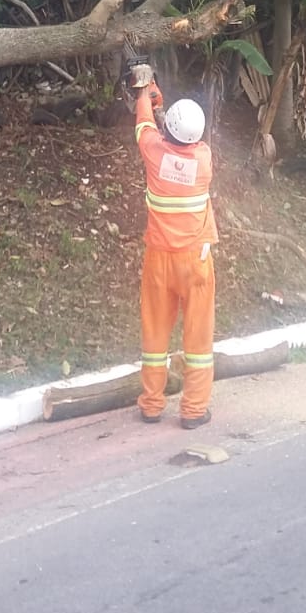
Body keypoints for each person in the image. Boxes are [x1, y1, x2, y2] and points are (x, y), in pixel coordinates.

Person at [129, 63, 218, 429]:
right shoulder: (203, 160)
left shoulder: (152, 151)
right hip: (195, 261)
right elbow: (174, 135)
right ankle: (193, 411)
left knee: (154, 334)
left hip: (158, 259)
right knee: (197, 338)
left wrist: (143, 90)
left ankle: (151, 405)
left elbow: (145, 125)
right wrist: (157, 95)